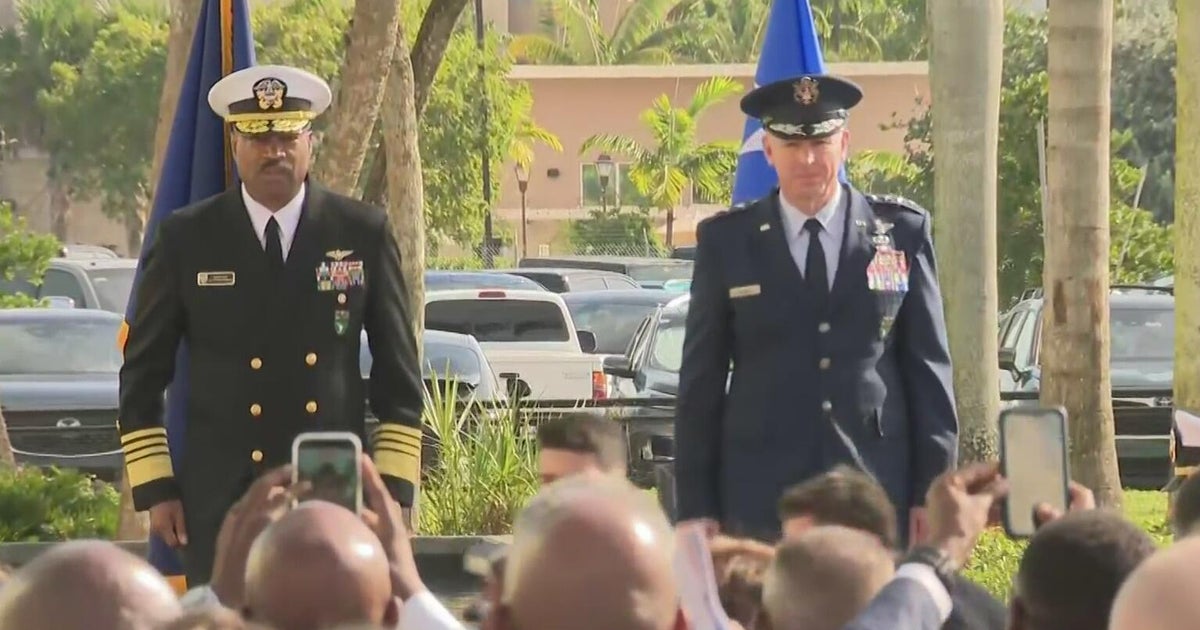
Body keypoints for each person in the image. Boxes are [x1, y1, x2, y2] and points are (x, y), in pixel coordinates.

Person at [118, 64, 424, 587]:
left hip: (331, 492)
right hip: (221, 501)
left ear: (311, 142)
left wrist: (391, 489)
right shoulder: (187, 239)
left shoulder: (360, 233)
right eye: (258, 138)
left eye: (287, 135)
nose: (274, 151)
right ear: (235, 145)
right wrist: (157, 489)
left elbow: (400, 378)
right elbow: (142, 377)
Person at [674, 73, 957, 545]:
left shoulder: (902, 232)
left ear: (844, 144)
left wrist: (932, 494)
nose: (807, 159)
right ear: (768, 151)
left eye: (821, 142)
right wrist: (696, 507)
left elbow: (929, 374)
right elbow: (699, 385)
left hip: (875, 485)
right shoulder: (728, 242)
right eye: (790, 145)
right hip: (760, 492)